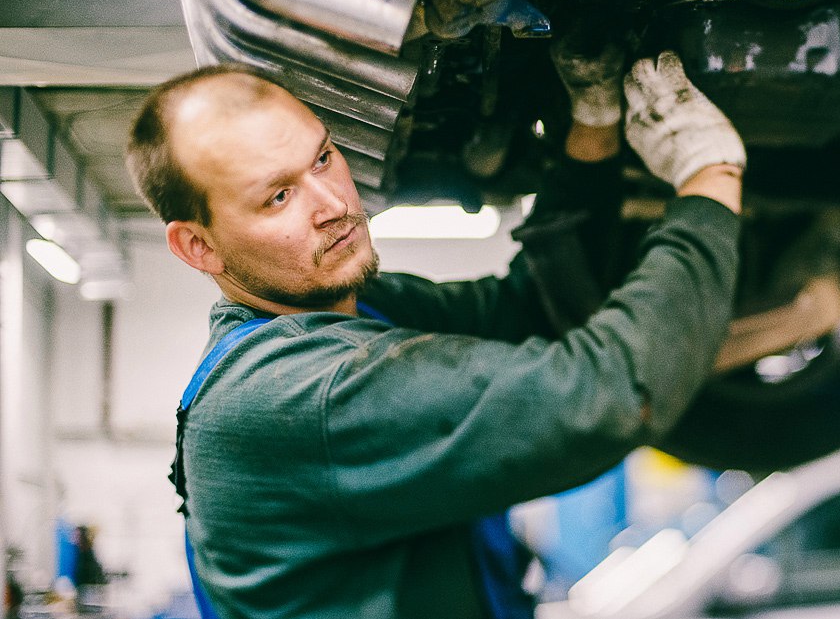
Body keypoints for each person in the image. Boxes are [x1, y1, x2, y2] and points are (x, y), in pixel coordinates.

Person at [126, 45, 746, 619]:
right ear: (198, 246)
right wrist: (710, 178)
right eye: (280, 196)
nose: (334, 203)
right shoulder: (295, 395)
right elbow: (608, 395)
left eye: (323, 158)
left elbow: (529, 308)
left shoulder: (353, 312)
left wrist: (590, 127)